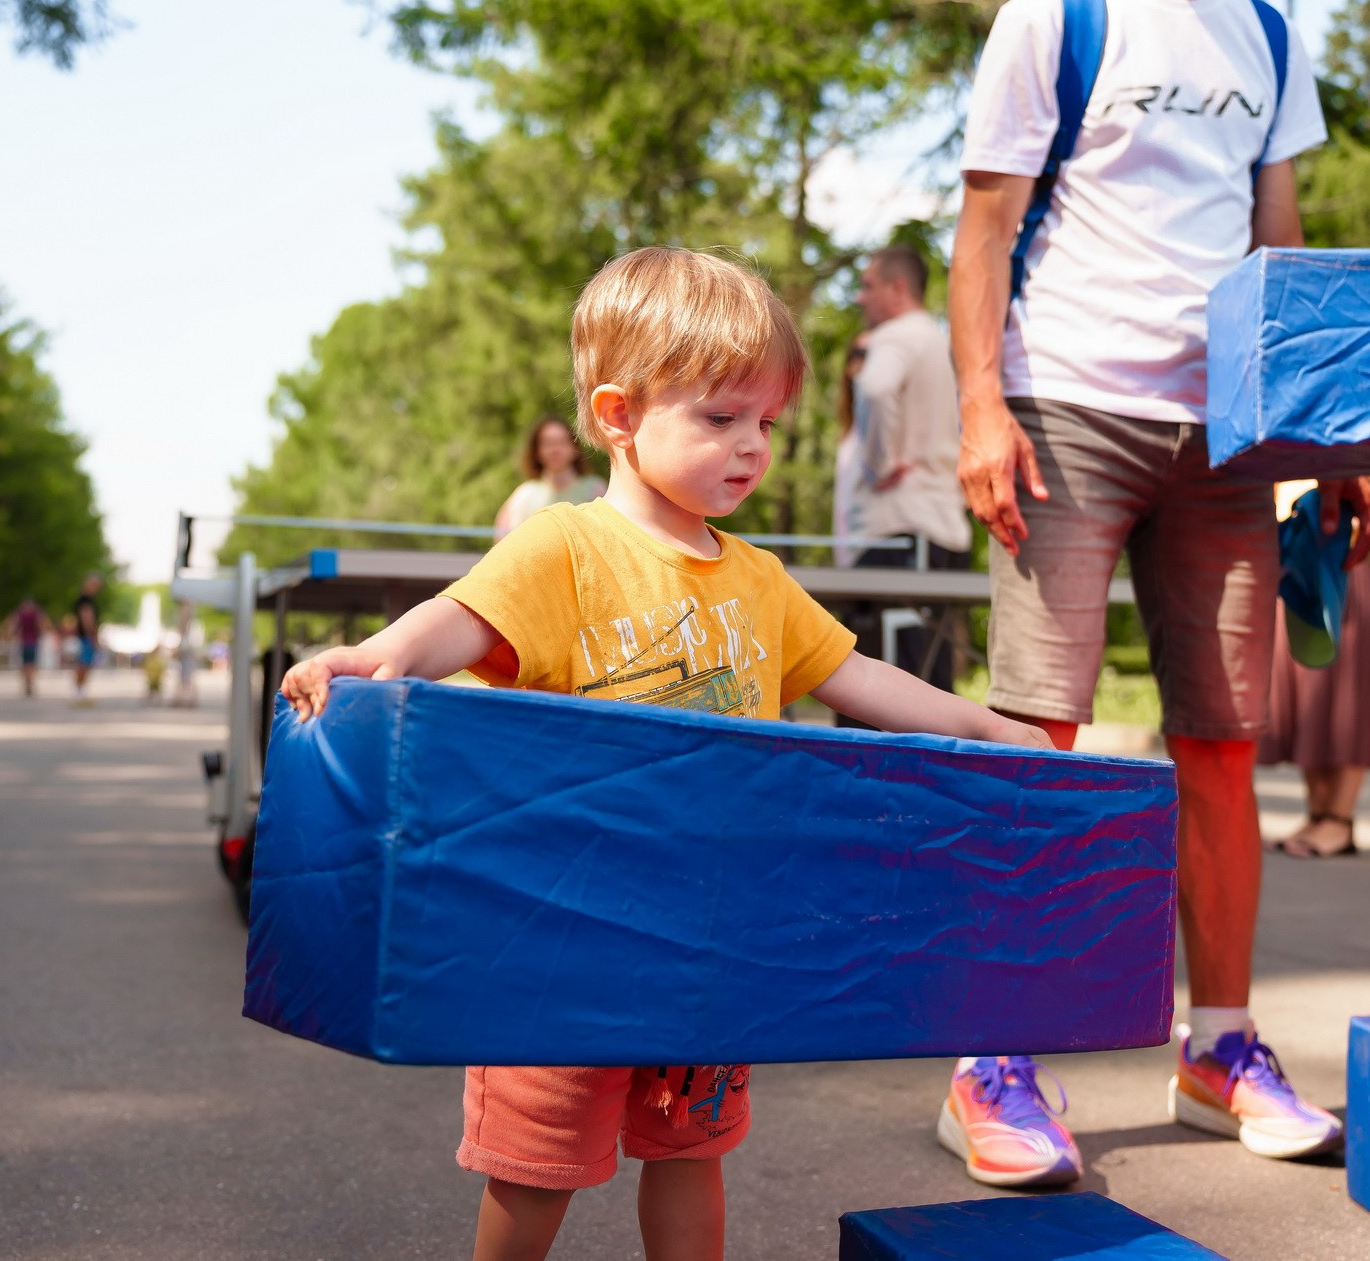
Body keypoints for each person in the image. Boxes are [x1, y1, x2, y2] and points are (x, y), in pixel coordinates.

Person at [281, 247, 1050, 1261]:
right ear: (616, 414)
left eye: (766, 423)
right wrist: (374, 657)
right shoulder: (564, 547)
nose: (750, 447)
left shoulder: (757, 578)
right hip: (561, 934)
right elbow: (456, 621)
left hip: (705, 935)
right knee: (534, 1168)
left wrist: (987, 723)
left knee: (691, 1154)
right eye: (719, 418)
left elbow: (859, 678)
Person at [942, 0, 1370, 1181]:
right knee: (1038, 742)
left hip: (1226, 437)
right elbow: (985, 223)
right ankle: (992, 1063)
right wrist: (979, 404)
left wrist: (1313, 441)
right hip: (1062, 409)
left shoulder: (1266, 35)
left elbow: (1277, 251)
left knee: (1225, 748)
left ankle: (1220, 1048)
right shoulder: (1053, 17)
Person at [1262, 472, 1370, 856]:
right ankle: (1318, 813)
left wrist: (1354, 527)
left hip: (1338, 573)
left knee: (1347, 695)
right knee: (1307, 692)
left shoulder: (1355, 430)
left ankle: (1339, 819)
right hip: (1294, 571)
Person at [851, 245, 972, 691]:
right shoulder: (945, 346)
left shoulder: (896, 337)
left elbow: (878, 387)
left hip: (899, 525)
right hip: (945, 531)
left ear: (898, 289)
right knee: (931, 682)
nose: (860, 298)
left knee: (876, 688)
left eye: (868, 286)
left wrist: (879, 465)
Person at [495, 415, 607, 538]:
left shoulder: (596, 490)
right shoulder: (523, 495)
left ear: (575, 448)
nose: (555, 450)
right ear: (536, 452)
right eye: (548, 443)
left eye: (562, 442)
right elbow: (504, 541)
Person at [831, 333, 873, 568]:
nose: (866, 362)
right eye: (859, 354)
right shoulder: (848, 432)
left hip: (883, 547)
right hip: (853, 553)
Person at [71, 574, 103, 703]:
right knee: (84, 663)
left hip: (84, 636)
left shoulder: (85, 599)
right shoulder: (86, 600)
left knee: (85, 663)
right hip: (86, 636)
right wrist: (93, 636)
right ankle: (79, 690)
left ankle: (81, 689)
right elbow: (87, 619)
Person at [11, 597, 50, 697]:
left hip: (24, 642)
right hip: (32, 642)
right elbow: (42, 625)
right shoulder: (35, 614)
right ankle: (30, 683)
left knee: (25, 664)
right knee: (31, 664)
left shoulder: (20, 614)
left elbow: (14, 627)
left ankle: (27, 684)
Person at [172, 601, 202, 708]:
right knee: (186, 677)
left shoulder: (192, 626)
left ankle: (184, 699)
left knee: (187, 677)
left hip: (187, 652)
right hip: (188, 652)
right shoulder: (193, 626)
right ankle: (185, 699)